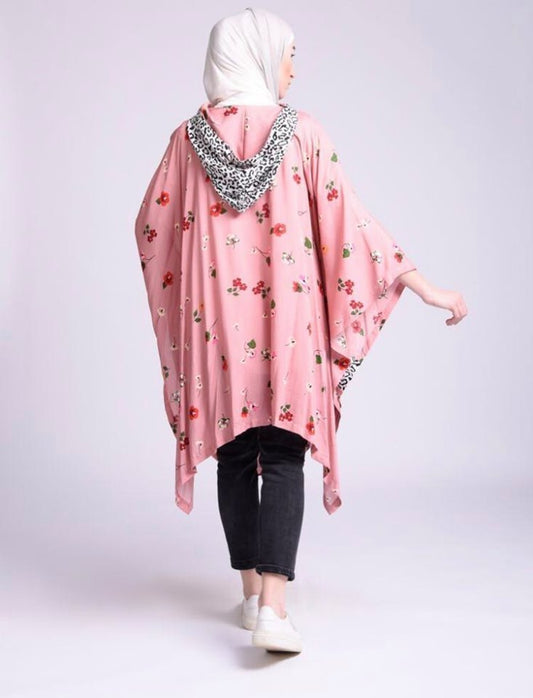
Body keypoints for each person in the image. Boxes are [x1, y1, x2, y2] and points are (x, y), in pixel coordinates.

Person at [133, 7, 468, 654]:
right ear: (260, 55)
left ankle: (251, 595)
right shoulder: (303, 133)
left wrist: (195, 277)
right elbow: (352, 227)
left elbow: (151, 225)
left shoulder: (185, 140)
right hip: (288, 327)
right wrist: (422, 285)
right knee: (283, 453)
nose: (292, 69)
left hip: (215, 331)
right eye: (289, 55)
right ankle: (274, 610)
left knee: (235, 453)